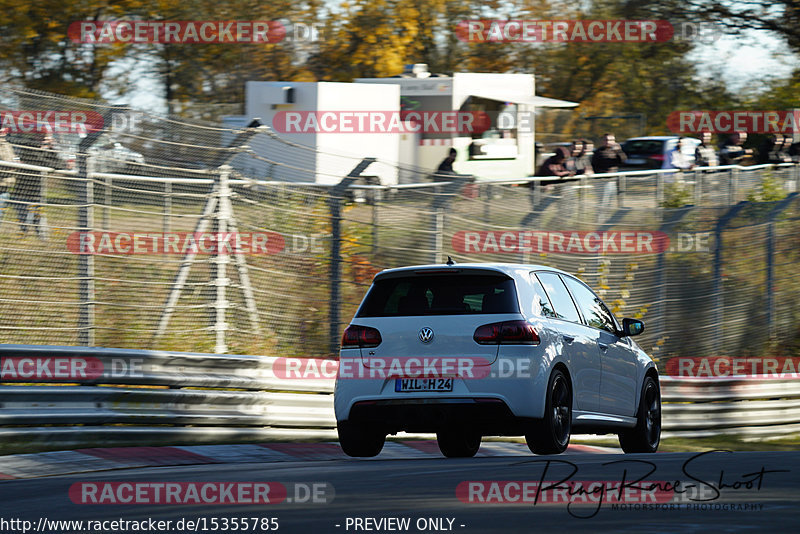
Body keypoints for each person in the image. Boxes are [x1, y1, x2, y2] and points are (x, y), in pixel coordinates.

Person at [0, 128, 19, 220]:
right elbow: (7, 161)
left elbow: (12, 159)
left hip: (5, 186)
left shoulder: (7, 144)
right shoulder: (2, 144)